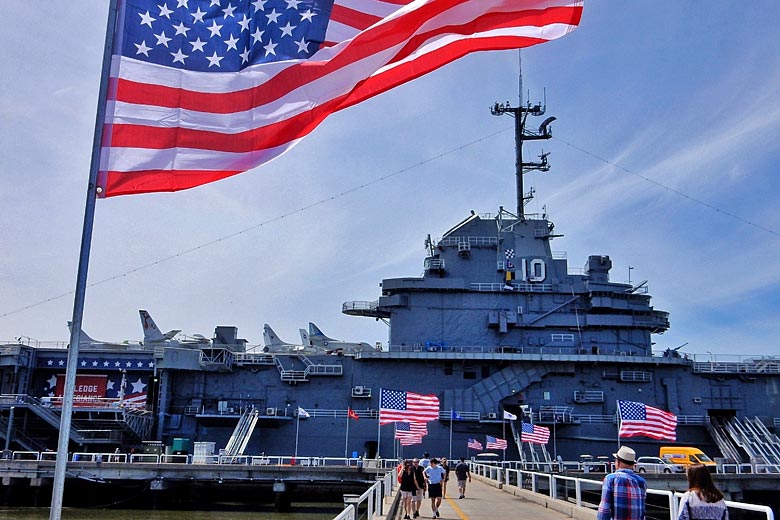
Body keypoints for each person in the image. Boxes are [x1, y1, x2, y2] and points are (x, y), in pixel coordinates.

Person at [597, 446, 647, 520]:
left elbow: (604, 509)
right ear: (633, 464)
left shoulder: (610, 479)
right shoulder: (642, 482)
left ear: (618, 462)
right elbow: (642, 511)